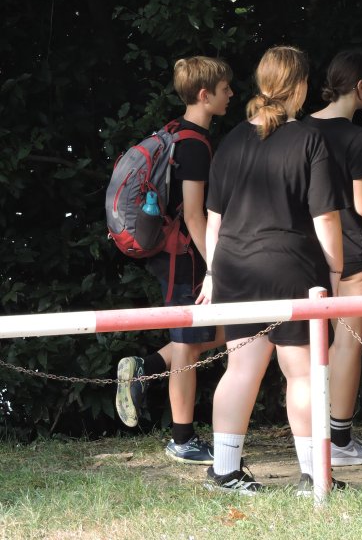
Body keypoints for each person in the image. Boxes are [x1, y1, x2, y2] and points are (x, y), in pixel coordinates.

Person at [198, 45, 347, 495]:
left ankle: (225, 471)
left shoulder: (230, 141)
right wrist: (335, 273)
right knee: (301, 372)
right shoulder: (309, 139)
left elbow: (213, 221)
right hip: (290, 266)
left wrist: (211, 275)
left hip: (233, 265)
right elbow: (325, 218)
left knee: (241, 368)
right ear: (299, 87)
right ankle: (314, 476)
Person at [115, 56, 232, 465]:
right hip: (184, 256)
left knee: (216, 333)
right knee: (187, 345)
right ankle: (182, 440)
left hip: (175, 253)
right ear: (204, 95)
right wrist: (215, 266)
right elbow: (195, 215)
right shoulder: (194, 144)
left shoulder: (176, 132)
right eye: (224, 89)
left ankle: (145, 368)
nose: (231, 95)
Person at [304, 49, 362, 466]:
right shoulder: (356, 138)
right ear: (360, 86)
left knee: (307, 346)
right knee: (348, 345)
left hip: (309, 250)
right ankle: (339, 439)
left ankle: (314, 436)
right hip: (355, 249)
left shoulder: (299, 130)